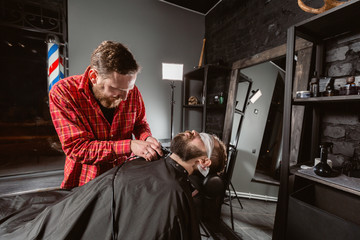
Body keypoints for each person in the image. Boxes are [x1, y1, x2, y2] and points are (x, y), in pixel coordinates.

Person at [0, 130, 227, 240]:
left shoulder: (171, 193)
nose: (195, 131)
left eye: (203, 139)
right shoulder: (157, 161)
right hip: (78, 204)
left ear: (204, 162)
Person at [49, 40, 162, 189]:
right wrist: (129, 145)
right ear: (94, 76)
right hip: (85, 181)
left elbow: (140, 123)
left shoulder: (129, 92)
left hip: (122, 175)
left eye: (129, 89)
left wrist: (146, 137)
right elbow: (77, 148)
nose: (125, 97)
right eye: (116, 89)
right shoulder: (63, 92)